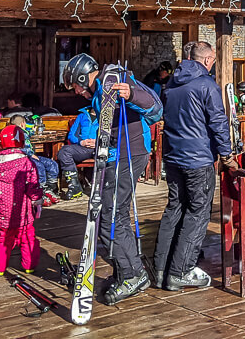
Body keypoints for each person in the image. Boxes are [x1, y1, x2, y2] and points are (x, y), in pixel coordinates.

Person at [58, 55, 162, 304]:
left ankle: (133, 275)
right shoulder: (99, 89)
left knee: (110, 217)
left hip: (129, 153)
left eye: (75, 85)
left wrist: (131, 94)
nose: (76, 92)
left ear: (82, 77)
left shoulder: (115, 79)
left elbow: (155, 108)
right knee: (110, 214)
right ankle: (126, 270)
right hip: (117, 153)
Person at [153, 41, 240, 291]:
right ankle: (181, 270)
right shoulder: (206, 85)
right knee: (197, 213)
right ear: (207, 60)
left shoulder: (171, 85)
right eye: (212, 59)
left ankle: (161, 269)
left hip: (174, 156)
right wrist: (226, 155)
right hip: (198, 158)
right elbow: (218, 123)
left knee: (175, 209)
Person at [0, 124, 43, 276]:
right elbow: (33, 186)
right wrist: (37, 202)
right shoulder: (27, 164)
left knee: (3, 238)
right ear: (21, 142)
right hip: (24, 209)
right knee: (28, 236)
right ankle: (29, 265)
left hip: (2, 210)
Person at [8, 113, 59, 206]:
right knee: (39, 166)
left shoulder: (23, 132)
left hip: (31, 156)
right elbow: (19, 148)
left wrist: (32, 131)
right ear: (23, 123)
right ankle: (41, 190)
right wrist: (30, 154)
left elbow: (27, 135)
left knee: (51, 164)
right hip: (24, 158)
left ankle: (49, 188)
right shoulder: (16, 134)